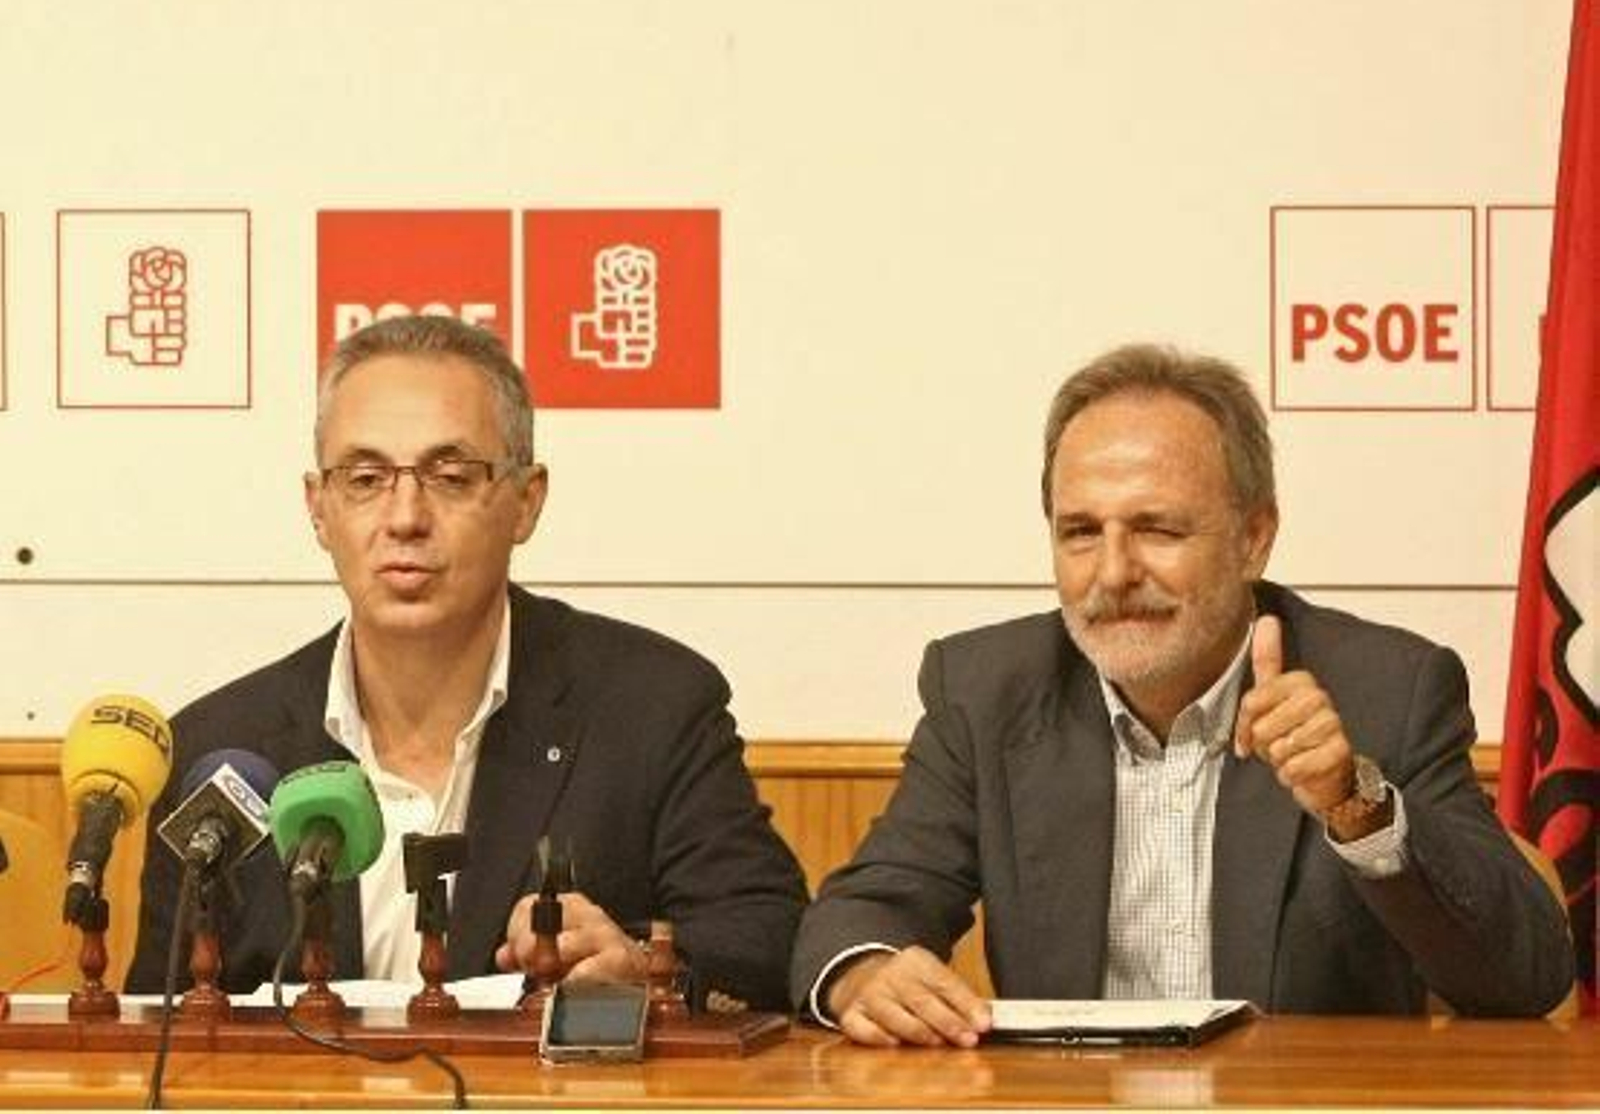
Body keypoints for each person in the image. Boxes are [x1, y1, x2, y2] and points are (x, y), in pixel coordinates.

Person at [791, 343, 1574, 1045]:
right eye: (1080, 533)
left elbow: (1523, 978)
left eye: (1158, 530)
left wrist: (1353, 802)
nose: (1114, 572)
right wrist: (866, 972)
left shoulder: (1386, 686)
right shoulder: (986, 690)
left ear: (1254, 537)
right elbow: (862, 912)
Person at [128, 314, 806, 1010]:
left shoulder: (651, 707)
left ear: (526, 501)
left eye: (450, 476)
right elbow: (158, 1026)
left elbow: (767, 938)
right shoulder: (221, 753)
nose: (405, 517)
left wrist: (641, 970)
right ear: (319, 508)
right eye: (364, 478)